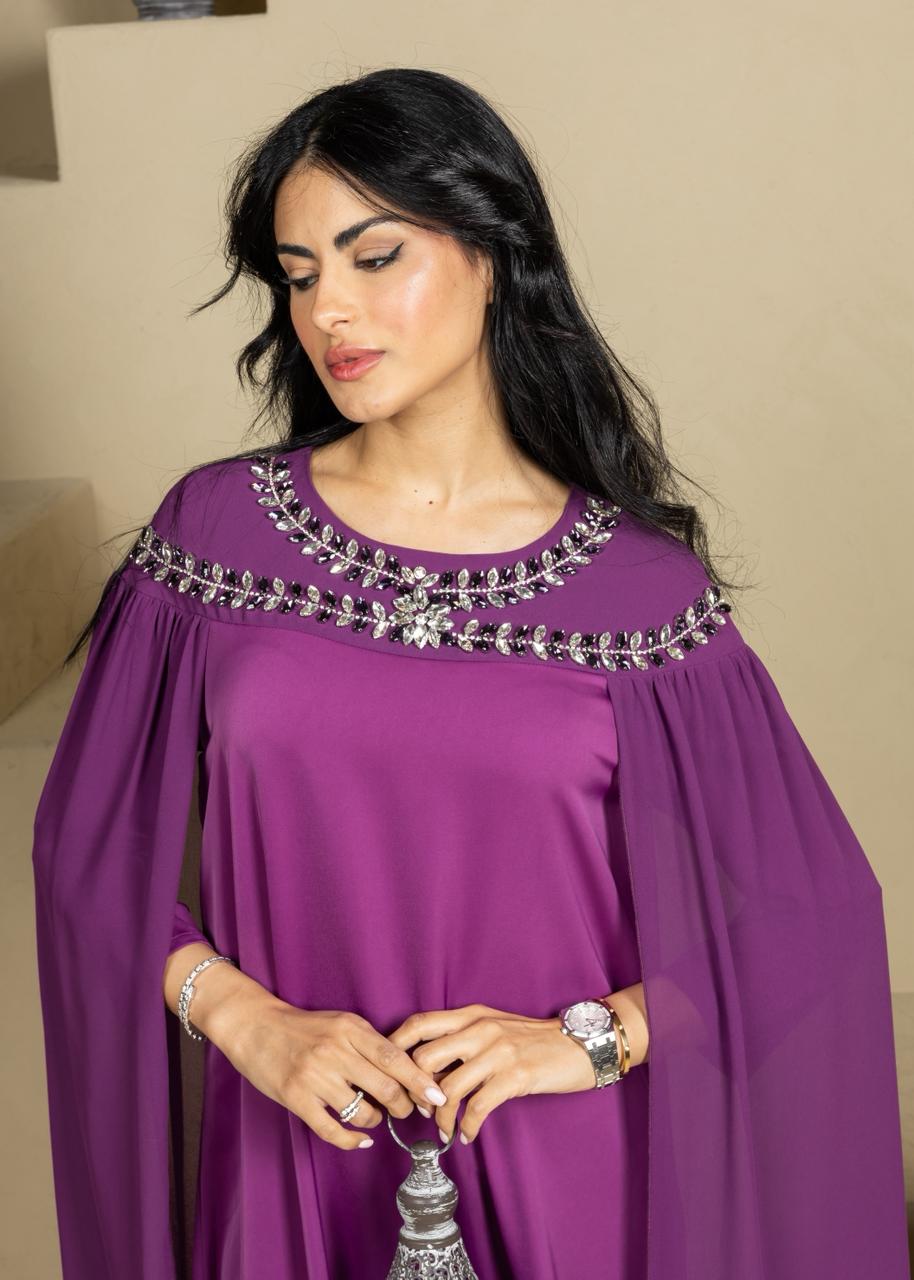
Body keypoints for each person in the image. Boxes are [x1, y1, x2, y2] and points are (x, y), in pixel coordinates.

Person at [31, 68, 909, 1280]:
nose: (329, 309)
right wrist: (243, 1017)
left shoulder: (640, 597)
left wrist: (586, 1041)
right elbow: (87, 850)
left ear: (493, 254)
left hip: (571, 1185)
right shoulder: (213, 539)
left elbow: (803, 915)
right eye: (298, 274)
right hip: (295, 1154)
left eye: (373, 256)